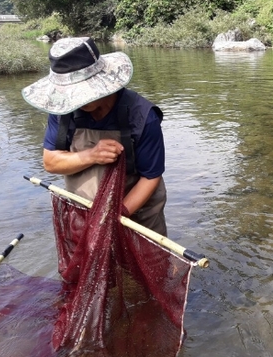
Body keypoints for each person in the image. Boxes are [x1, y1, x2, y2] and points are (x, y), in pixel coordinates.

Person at [22, 37, 167, 235]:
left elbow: (151, 177)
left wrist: (115, 218)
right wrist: (92, 155)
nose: (76, 102)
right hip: (84, 213)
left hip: (136, 216)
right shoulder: (63, 112)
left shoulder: (142, 116)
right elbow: (51, 162)